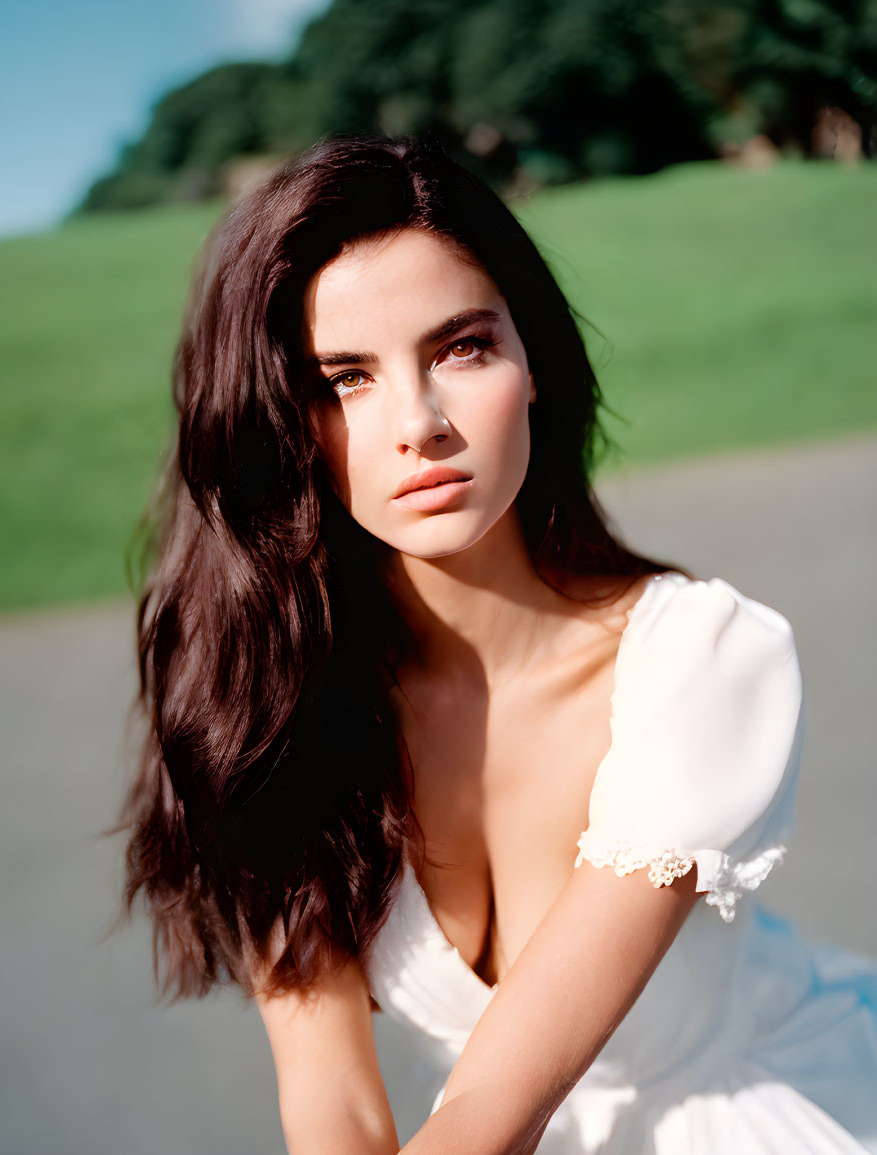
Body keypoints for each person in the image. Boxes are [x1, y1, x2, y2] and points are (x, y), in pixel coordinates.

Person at [122, 134, 877, 1154]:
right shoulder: (272, 707)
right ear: (277, 424)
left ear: (531, 364)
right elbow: (331, 1104)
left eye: (460, 347)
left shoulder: (698, 661)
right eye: (343, 378)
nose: (418, 422)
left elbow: (490, 1112)